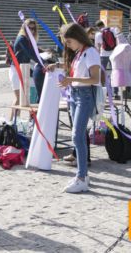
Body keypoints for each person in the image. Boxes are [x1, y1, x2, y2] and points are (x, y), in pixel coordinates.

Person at [47, 23, 100, 193]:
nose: (67, 45)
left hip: (84, 95)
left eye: (69, 41)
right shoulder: (80, 52)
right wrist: (58, 65)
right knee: (78, 136)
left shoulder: (90, 52)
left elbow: (95, 78)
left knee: (77, 136)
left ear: (77, 38)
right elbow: (74, 69)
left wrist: (70, 79)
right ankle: (83, 174)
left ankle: (82, 177)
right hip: (76, 94)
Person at [10, 19, 45, 120]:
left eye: (33, 28)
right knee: (18, 97)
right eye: (28, 28)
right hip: (16, 69)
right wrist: (43, 62)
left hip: (25, 68)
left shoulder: (30, 40)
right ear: (24, 28)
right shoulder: (22, 39)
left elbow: (35, 52)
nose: (31, 30)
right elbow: (31, 54)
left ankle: (31, 117)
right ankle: (12, 122)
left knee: (28, 95)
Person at [95, 20, 119, 99]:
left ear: (98, 27)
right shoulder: (112, 30)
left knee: (102, 74)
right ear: (104, 24)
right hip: (114, 54)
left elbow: (98, 47)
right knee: (115, 72)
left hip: (103, 55)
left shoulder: (98, 34)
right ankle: (115, 93)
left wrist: (98, 56)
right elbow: (117, 41)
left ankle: (105, 92)